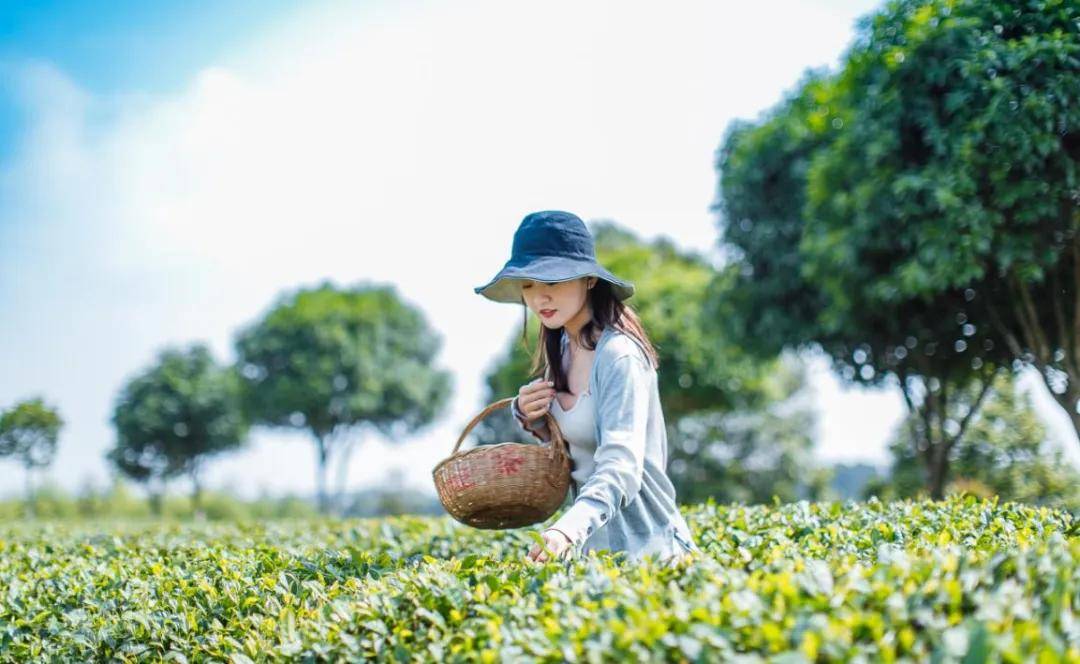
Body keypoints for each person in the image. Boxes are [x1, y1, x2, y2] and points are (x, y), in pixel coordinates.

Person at [473, 210, 702, 567]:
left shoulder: (619, 356)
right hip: (593, 560)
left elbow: (621, 465)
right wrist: (530, 415)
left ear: (590, 281)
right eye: (529, 285)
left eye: (551, 282)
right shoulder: (560, 350)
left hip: (652, 557)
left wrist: (567, 530)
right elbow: (574, 454)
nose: (538, 299)